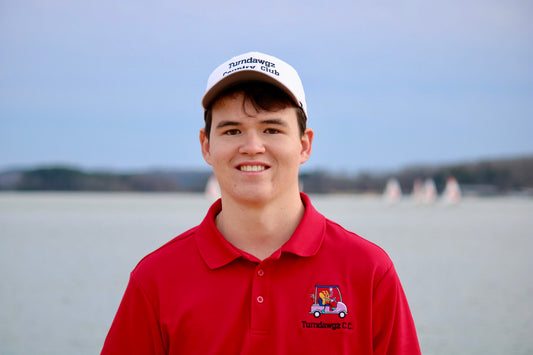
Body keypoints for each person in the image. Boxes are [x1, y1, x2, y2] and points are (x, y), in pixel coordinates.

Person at [101, 51, 421, 354]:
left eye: (271, 128)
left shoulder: (369, 273)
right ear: (206, 145)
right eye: (232, 130)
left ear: (304, 145)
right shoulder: (155, 279)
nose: (252, 146)